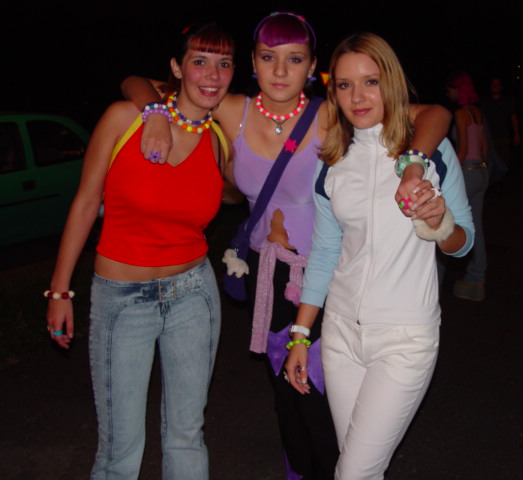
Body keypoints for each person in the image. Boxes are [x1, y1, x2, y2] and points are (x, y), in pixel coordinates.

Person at [121, 12, 452, 480]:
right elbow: (136, 82)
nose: (280, 71)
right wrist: (154, 114)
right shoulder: (231, 109)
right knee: (284, 392)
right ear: (253, 62)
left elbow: (436, 113)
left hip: (323, 276)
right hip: (266, 274)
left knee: (319, 399)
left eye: (294, 59)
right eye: (268, 57)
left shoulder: (330, 114)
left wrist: (414, 165)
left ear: (312, 67)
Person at [45, 23, 234, 479]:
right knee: (119, 450)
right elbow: (86, 203)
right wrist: (60, 291)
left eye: (224, 63)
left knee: (187, 436)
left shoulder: (219, 139)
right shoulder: (123, 119)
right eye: (199, 61)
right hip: (122, 297)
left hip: (194, 294)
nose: (212, 74)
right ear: (176, 68)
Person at [284, 32, 474, 480]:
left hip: (404, 338)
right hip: (340, 336)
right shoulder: (331, 161)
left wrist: (439, 222)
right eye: (344, 85)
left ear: (391, 82)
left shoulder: (431, 153)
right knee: (358, 465)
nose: (358, 97)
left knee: (353, 473)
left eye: (370, 82)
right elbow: (326, 251)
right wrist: (301, 334)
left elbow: (464, 243)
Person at [445, 70, 490, 301]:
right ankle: (476, 278)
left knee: (443, 223)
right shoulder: (477, 113)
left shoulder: (461, 113)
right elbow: (485, 148)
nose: (448, 93)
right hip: (481, 171)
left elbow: (461, 149)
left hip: (467, 172)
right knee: (476, 227)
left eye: (451, 89)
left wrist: (449, 177)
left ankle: (435, 280)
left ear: (458, 90)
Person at [479, 76, 520, 168]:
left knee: (504, 161)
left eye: (497, 84)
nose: (495, 86)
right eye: (493, 84)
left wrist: (516, 134)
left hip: (503, 136)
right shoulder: (485, 102)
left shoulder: (507, 101)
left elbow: (513, 117)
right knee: (489, 161)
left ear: (501, 87)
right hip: (488, 137)